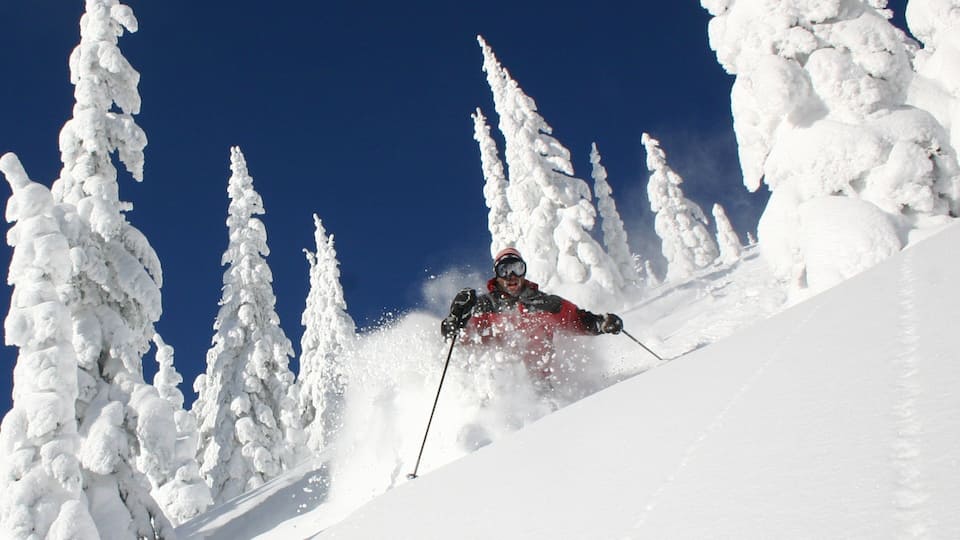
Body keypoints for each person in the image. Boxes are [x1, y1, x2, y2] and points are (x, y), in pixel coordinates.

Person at [440, 247, 623, 382]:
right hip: (498, 385)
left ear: (524, 271)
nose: (511, 275)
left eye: (517, 268)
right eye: (504, 270)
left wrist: (601, 323)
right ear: (497, 275)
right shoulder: (485, 306)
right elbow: (457, 338)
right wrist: (456, 318)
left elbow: (576, 319)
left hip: (540, 384)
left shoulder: (544, 303)